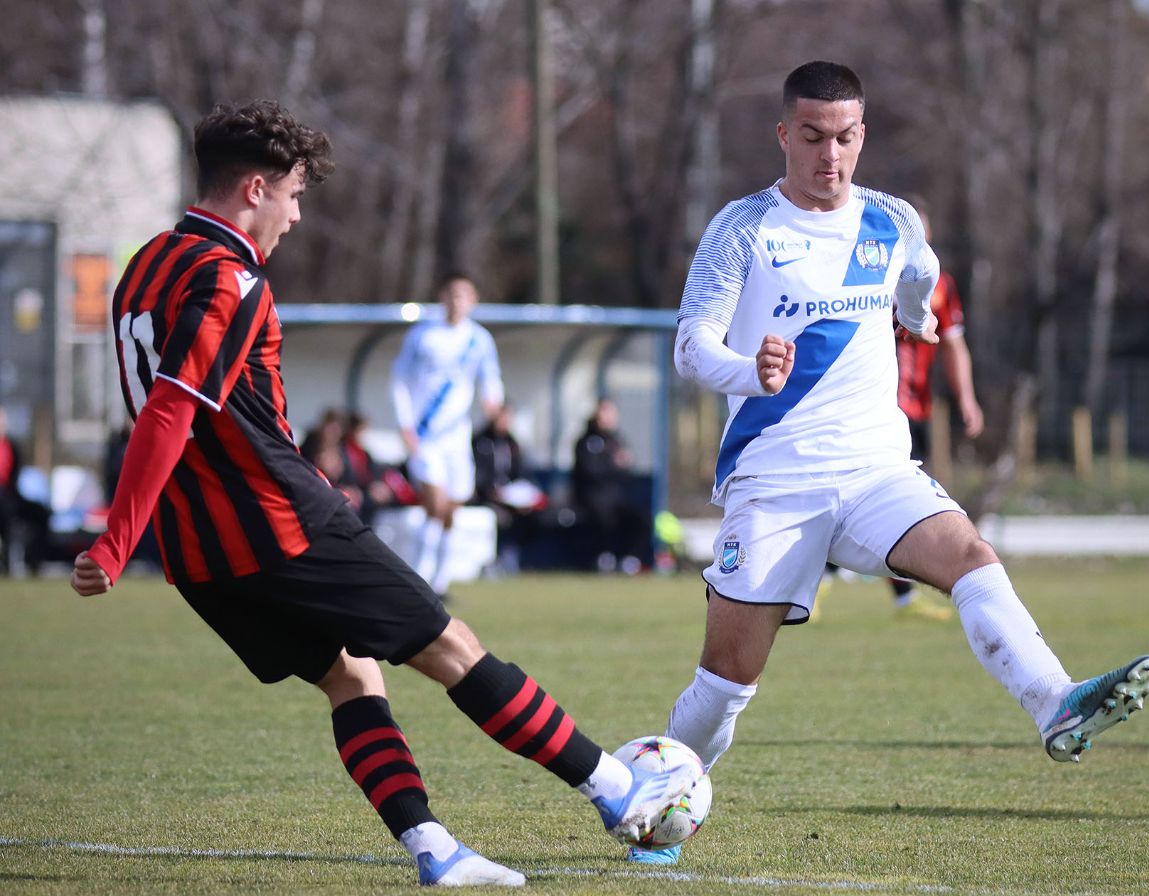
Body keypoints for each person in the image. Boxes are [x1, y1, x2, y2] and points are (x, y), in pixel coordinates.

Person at [68, 100, 696, 889]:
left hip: (200, 555)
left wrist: (137, 534)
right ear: (256, 189)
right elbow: (171, 411)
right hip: (282, 523)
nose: (297, 216)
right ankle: (617, 790)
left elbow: (158, 408)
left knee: (352, 675)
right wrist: (114, 541)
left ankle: (436, 851)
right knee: (452, 647)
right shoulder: (230, 278)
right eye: (294, 195)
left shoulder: (144, 265)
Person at [627, 61, 1149, 866]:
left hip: (877, 469)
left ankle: (1057, 702)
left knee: (970, 555)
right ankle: (656, 807)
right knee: (728, 681)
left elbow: (924, 272)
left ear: (862, 134)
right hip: (775, 482)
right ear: (784, 134)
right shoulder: (743, 228)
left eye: (845, 138)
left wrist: (917, 317)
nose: (830, 155)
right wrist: (749, 371)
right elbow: (690, 345)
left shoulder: (892, 220)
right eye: (813, 137)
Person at [881, 195, 985, 621]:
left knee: (896, 501)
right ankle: (825, 582)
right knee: (886, 497)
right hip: (876, 406)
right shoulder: (870, 274)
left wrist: (967, 398)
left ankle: (902, 595)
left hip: (916, 408)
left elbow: (954, 344)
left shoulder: (940, 283)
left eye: (920, 228)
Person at [391, 274, 503, 599]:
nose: (457, 301)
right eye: (452, 294)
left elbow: (491, 377)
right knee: (435, 504)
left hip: (457, 436)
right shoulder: (422, 336)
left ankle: (438, 582)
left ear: (474, 301)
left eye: (464, 295)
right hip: (426, 435)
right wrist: (405, 423)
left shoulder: (479, 339)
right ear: (442, 297)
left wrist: (492, 400)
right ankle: (420, 579)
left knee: (451, 509)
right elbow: (399, 380)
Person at [571, 397, 649, 575]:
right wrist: (613, 465)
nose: (608, 418)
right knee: (603, 514)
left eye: (612, 413)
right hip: (592, 496)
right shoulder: (586, 441)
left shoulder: (617, 440)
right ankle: (604, 557)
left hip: (616, 497)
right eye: (605, 413)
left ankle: (630, 560)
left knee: (641, 517)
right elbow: (590, 471)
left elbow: (626, 468)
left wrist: (620, 465)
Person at [472, 403, 544, 574]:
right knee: (502, 517)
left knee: (533, 516)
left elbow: (521, 472)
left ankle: (515, 557)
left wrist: (525, 495)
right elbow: (478, 475)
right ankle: (496, 560)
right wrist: (492, 492)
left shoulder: (512, 443)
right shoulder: (480, 442)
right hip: (487, 497)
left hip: (511, 497)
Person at [0, 406, 50, 575]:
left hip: (10, 496)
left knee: (40, 512)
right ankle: (8, 562)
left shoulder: (12, 447)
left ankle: (35, 561)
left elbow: (15, 479)